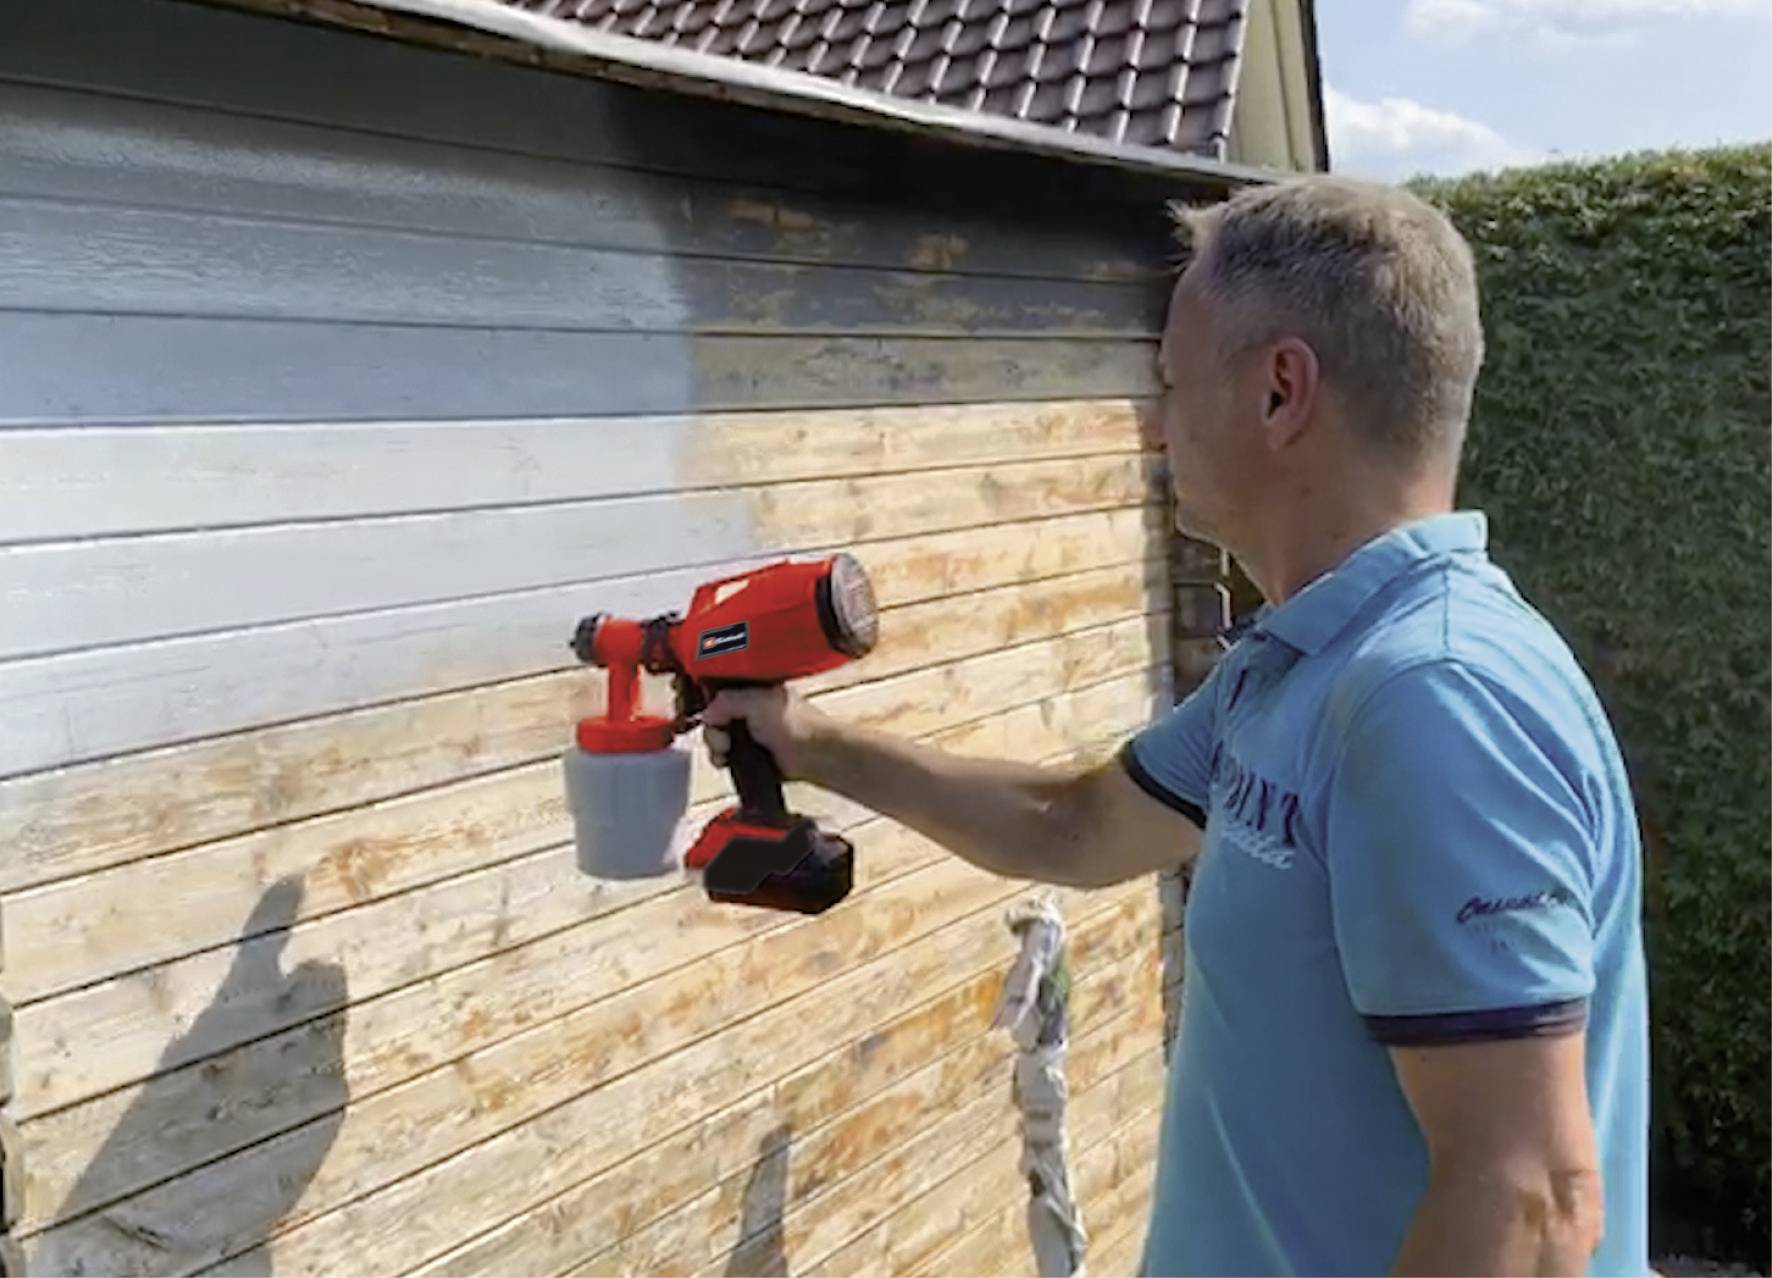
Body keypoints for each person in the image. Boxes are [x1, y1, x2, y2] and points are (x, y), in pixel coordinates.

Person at [703, 176, 1648, 1278]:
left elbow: (1530, 1203)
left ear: (1279, 391)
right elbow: (1071, 826)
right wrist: (805, 740)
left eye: (1167, 380)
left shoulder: (1431, 698)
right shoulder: (1299, 667)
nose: (1154, 426)